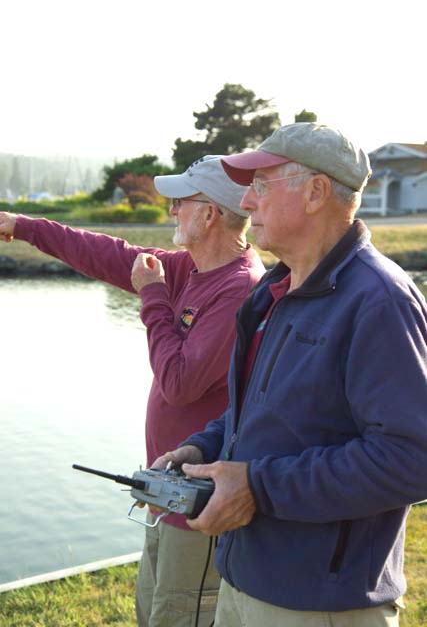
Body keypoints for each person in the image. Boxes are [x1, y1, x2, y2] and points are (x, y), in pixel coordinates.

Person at [152, 124, 427, 627]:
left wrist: (258, 486)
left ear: (316, 192)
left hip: (320, 602)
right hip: (244, 577)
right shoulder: (275, 291)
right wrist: (206, 446)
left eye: (260, 185)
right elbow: (260, 412)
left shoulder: (378, 301)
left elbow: (411, 458)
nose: (248, 203)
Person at [0, 154, 265, 627]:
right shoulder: (189, 267)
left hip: (201, 504)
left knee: (181, 617)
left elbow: (179, 383)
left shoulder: (239, 288)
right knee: (153, 612)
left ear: (209, 214)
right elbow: (105, 252)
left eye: (180, 203)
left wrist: (153, 297)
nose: (170, 212)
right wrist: (23, 226)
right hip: (169, 493)